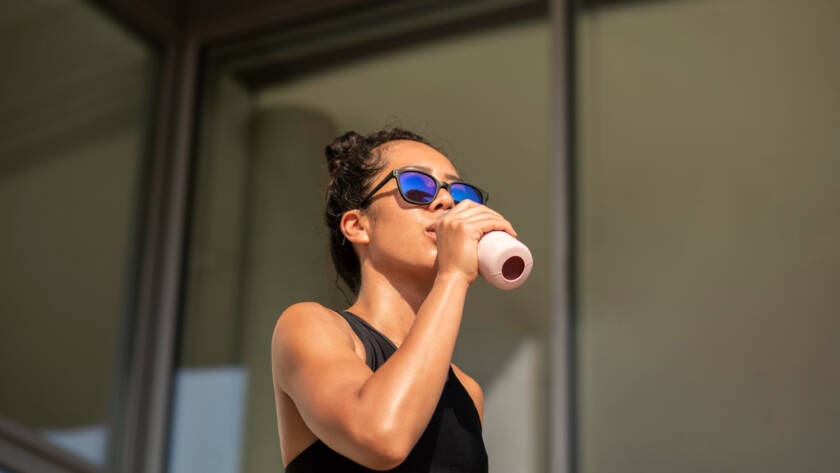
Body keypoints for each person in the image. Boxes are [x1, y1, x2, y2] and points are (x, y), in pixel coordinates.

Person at [271, 128, 517, 472]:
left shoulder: (467, 391)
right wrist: (453, 276)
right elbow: (381, 435)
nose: (447, 202)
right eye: (418, 187)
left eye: (459, 194)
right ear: (357, 225)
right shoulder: (309, 326)